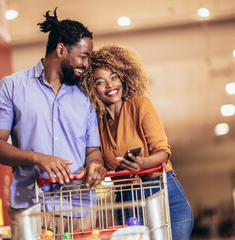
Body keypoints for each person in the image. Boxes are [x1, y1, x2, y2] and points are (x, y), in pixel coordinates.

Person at [0, 9, 107, 240]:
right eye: (83, 56)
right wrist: (38, 157)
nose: (87, 64)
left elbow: (92, 151)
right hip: (31, 208)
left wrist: (96, 165)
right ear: (61, 49)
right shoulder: (12, 87)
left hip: (79, 207)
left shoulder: (85, 97)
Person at [80, 45, 193, 240]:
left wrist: (141, 164)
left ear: (123, 77)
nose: (110, 85)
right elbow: (97, 161)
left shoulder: (141, 104)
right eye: (100, 81)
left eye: (114, 77)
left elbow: (163, 153)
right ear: (92, 89)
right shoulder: (96, 124)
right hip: (127, 200)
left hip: (162, 193)